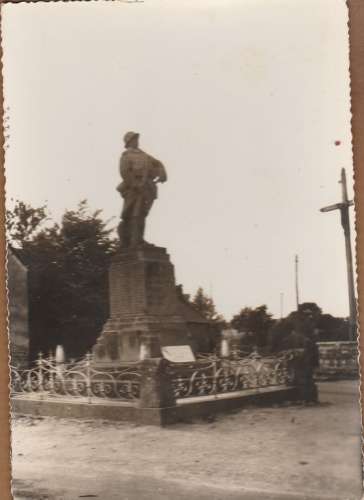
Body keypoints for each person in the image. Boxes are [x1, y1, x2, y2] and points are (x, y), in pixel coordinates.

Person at [117, 131, 167, 248]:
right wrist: (134, 185)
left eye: (136, 139)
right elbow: (124, 172)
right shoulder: (126, 156)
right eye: (134, 139)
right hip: (135, 188)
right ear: (129, 142)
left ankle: (138, 239)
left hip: (147, 187)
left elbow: (158, 163)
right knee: (135, 214)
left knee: (142, 214)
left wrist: (162, 172)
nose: (136, 141)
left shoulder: (144, 155)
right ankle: (134, 241)